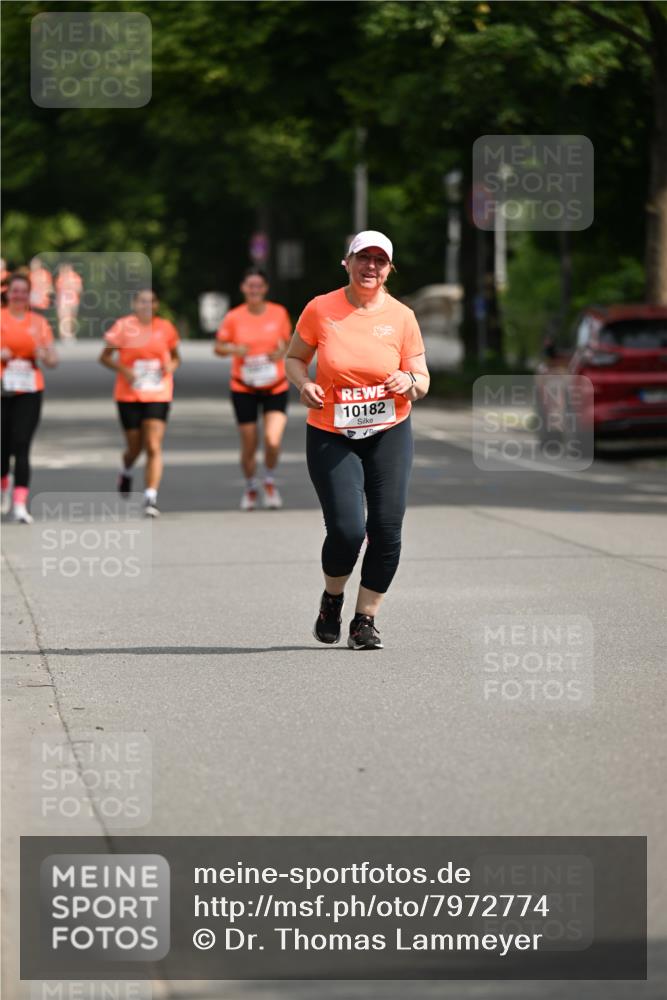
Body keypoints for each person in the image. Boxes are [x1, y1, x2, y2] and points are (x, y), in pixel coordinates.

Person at [285, 231, 430, 650]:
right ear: (346, 263)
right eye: (362, 258)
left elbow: (421, 376)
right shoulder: (320, 309)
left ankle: (364, 620)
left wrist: (410, 381)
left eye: (379, 261)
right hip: (332, 432)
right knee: (348, 530)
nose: (371, 267)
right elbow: (294, 357)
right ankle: (332, 600)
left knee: (386, 529)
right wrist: (303, 383)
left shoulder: (402, 317)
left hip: (389, 430)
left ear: (389, 269)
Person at [214, 267, 292, 510]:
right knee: (249, 443)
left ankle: (268, 480)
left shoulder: (278, 313)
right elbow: (219, 347)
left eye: (259, 286)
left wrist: (280, 352)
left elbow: (290, 345)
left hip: (275, 385)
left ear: (265, 288)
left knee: (272, 440)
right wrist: (234, 350)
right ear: (243, 288)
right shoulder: (234, 317)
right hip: (244, 386)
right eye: (250, 286)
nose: (255, 290)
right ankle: (250, 486)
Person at [99, 288, 181, 517]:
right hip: (129, 395)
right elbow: (104, 357)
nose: (147, 305)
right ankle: (126, 469)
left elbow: (176, 357)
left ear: (156, 305)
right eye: (142, 301)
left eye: (151, 301)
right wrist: (123, 369)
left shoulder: (165, 328)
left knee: (153, 445)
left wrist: (170, 367)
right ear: (134, 304)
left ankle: (150, 496)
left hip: (158, 392)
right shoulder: (124, 327)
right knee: (134, 447)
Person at [1, 272, 58, 522]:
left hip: (29, 389)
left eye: (24, 291)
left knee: (22, 444)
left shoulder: (39, 323)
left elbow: (54, 360)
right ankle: (4, 487)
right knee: (2, 446)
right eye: (15, 290)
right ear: (8, 293)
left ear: (29, 294)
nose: (19, 295)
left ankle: (20, 504)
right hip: (2, 389)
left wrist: (44, 355)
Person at [55, 262, 83, 340]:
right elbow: (59, 290)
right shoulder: (61, 277)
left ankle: (70, 334)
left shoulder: (75, 277)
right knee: (64, 318)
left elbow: (79, 289)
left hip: (73, 301)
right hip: (63, 301)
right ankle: (64, 335)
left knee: (71, 318)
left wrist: (70, 286)